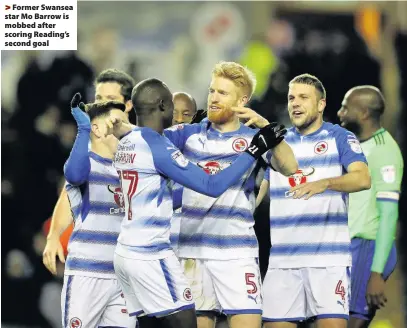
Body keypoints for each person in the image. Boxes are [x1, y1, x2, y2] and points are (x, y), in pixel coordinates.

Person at [105, 77, 286, 328]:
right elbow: (211, 186)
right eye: (172, 106)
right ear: (162, 106)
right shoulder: (159, 147)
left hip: (125, 250)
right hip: (150, 252)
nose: (179, 117)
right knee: (185, 321)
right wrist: (253, 152)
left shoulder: (131, 141)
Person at [163, 61, 298, 328]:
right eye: (212, 91)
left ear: (242, 100)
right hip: (193, 252)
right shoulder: (188, 134)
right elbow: (148, 140)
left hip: (237, 253)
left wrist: (266, 129)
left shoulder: (253, 138)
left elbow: (291, 167)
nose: (213, 98)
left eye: (222, 93)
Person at [260, 74, 371, 328]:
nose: (295, 104)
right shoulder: (278, 145)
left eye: (303, 98)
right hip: (283, 263)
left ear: (321, 104)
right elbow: (259, 195)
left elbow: (362, 178)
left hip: (328, 262)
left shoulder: (339, 138)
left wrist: (325, 183)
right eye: (291, 98)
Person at [43, 68, 136, 275]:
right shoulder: (86, 151)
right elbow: (70, 190)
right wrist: (53, 236)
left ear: (128, 104)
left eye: (111, 99)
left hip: (129, 268)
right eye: (98, 98)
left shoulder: (145, 150)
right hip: (90, 267)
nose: (102, 105)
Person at [61, 98, 136, 328]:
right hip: (87, 275)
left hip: (122, 278)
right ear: (97, 128)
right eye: (117, 123)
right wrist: (82, 130)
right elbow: (73, 175)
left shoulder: (130, 172)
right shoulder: (86, 165)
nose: (123, 130)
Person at [337, 86, 403, 328]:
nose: (340, 112)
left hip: (368, 249)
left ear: (364, 113)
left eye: (346, 107)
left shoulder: (385, 152)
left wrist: (376, 273)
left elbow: (388, 215)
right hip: (349, 248)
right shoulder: (354, 145)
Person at [170, 92, 198, 251]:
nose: (179, 119)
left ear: (194, 118)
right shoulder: (151, 149)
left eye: (186, 114)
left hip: (193, 244)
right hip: (160, 243)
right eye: (174, 113)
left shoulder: (204, 153)